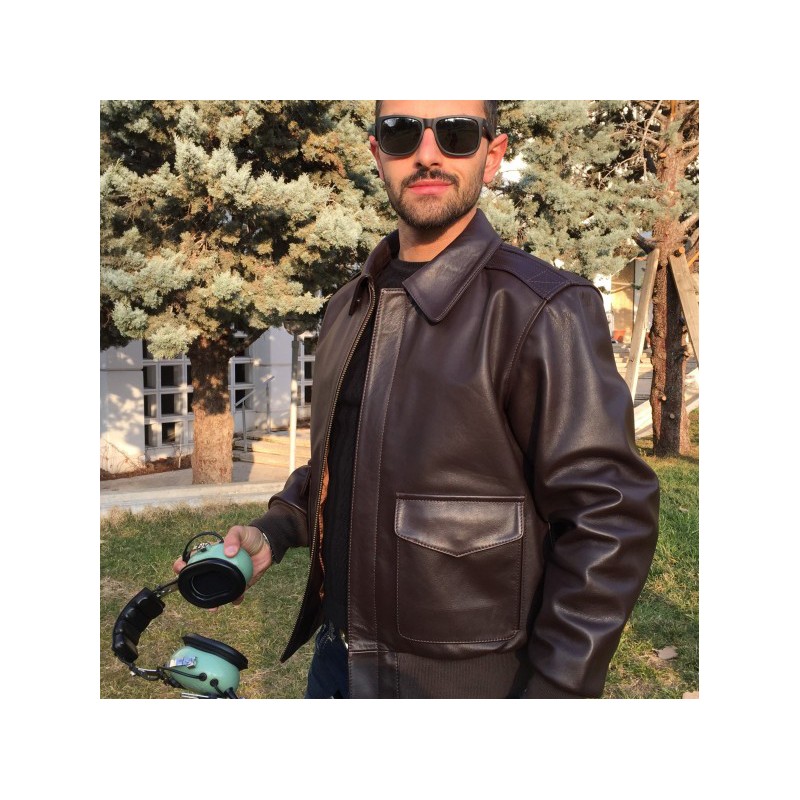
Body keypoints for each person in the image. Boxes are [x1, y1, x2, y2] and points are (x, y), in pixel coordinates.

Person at [174, 100, 660, 699]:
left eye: (456, 133)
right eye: (402, 132)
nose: (427, 154)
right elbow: (344, 461)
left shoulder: (542, 310)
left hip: (472, 688)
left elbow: (608, 517)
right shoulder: (349, 306)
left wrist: (557, 693)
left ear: (493, 155)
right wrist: (273, 530)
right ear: (378, 154)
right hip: (336, 668)